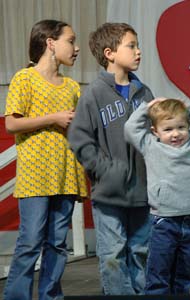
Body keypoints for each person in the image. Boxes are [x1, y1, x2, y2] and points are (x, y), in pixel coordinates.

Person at [2, 19, 88, 300]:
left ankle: (51, 296)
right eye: (71, 41)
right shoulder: (24, 79)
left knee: (57, 244)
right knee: (30, 242)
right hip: (37, 176)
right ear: (51, 42)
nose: (75, 48)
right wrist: (53, 118)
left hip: (65, 173)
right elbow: (12, 124)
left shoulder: (73, 87)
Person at [67, 23, 154, 295]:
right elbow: (80, 139)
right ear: (110, 53)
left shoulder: (144, 93)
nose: (138, 51)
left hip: (142, 192)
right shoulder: (93, 93)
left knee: (140, 251)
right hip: (109, 193)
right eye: (131, 45)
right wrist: (107, 171)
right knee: (113, 254)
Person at [124, 97, 190, 295]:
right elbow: (130, 128)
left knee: (185, 274)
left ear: (188, 126)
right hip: (163, 221)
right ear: (155, 132)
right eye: (167, 129)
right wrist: (148, 107)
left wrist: (185, 104)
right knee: (159, 272)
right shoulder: (150, 145)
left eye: (181, 127)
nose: (175, 134)